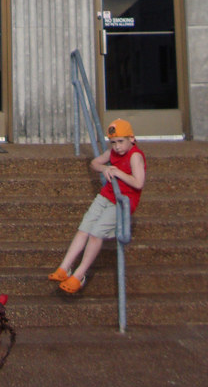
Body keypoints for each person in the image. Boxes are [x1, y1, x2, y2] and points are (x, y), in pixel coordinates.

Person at [47, 118, 146, 294]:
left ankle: (79, 274)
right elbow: (94, 163)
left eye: (121, 142)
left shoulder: (135, 156)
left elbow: (138, 183)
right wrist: (105, 169)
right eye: (113, 142)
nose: (117, 147)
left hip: (122, 201)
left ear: (131, 139)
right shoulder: (113, 153)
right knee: (84, 228)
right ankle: (64, 267)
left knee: (96, 232)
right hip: (106, 196)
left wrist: (118, 173)